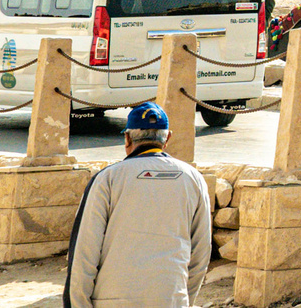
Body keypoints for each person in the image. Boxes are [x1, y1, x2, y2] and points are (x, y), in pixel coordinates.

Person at [65, 100, 213, 308]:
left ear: (127, 138)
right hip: (170, 297)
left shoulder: (108, 179)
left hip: (113, 300)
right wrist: (182, 298)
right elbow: (201, 251)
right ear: (167, 138)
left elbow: (84, 250)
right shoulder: (193, 179)